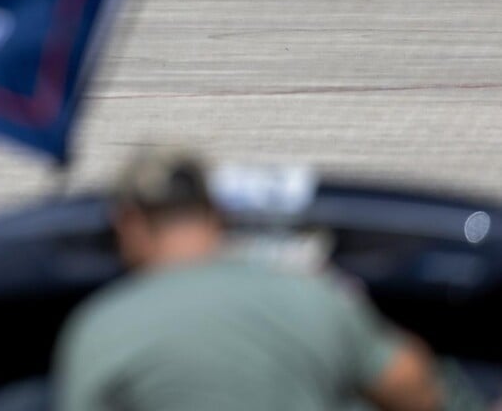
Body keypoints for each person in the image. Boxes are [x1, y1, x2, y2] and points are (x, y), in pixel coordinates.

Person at [52, 149, 443, 411]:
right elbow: (416, 386)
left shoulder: (101, 327)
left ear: (129, 223)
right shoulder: (312, 295)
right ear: (217, 214)